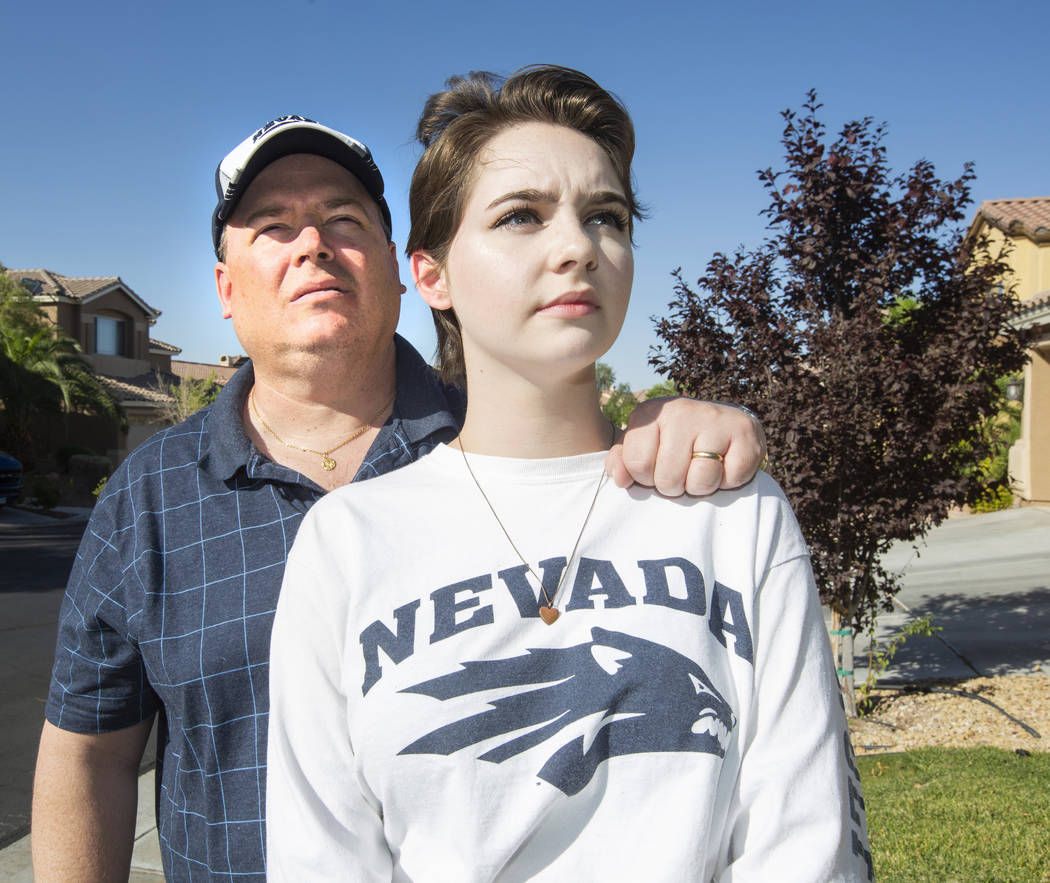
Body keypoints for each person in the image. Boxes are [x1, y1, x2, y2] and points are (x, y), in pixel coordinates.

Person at [30, 113, 768, 881]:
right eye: (273, 229)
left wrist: (681, 432)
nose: (312, 244)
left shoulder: (501, 445)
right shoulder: (146, 499)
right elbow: (89, 760)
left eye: (342, 220)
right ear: (224, 287)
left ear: (397, 265)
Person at [266, 67, 872, 881]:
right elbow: (321, 856)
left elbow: (805, 845)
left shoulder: (731, 508)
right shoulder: (346, 542)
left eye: (607, 218)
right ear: (431, 275)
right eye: (521, 216)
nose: (578, 247)